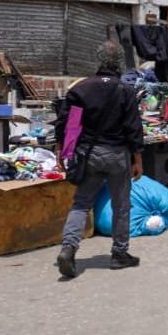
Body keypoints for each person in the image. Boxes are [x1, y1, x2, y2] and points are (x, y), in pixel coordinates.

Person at [55, 41, 145, 278]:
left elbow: (70, 126)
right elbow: (133, 128)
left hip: (89, 155)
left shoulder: (81, 89)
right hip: (118, 155)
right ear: (118, 63)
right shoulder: (126, 91)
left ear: (98, 59)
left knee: (81, 203)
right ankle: (119, 254)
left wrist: (63, 152)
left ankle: (69, 248)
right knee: (121, 206)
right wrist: (138, 159)